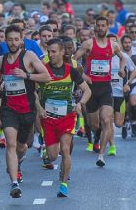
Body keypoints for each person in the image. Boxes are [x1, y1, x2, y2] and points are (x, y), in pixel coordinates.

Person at [0, 25, 51, 198]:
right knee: (11, 144)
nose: (13, 43)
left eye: (16, 39)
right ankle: (14, 184)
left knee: (23, 146)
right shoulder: (1, 60)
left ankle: (17, 163)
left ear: (21, 40)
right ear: (5, 40)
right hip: (9, 109)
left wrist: (26, 75)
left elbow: (46, 76)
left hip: (27, 110)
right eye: (10, 39)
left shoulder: (29, 56)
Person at [37, 38, 91, 198]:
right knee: (53, 156)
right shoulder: (43, 70)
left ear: (62, 52)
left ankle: (64, 184)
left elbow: (87, 91)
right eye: (49, 52)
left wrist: (80, 104)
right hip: (48, 118)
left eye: (53, 52)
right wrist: (39, 108)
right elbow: (32, 92)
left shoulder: (71, 70)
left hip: (67, 115)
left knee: (66, 149)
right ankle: (51, 156)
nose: (50, 54)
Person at [72, 16, 125, 167]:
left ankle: (101, 155)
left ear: (107, 28)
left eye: (103, 26)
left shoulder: (113, 45)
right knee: (94, 124)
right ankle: (99, 133)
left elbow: (123, 58)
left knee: (107, 119)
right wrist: (83, 76)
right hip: (91, 89)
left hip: (106, 88)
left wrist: (121, 69)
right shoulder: (88, 44)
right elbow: (74, 61)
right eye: (98, 26)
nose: (101, 28)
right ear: (95, 28)